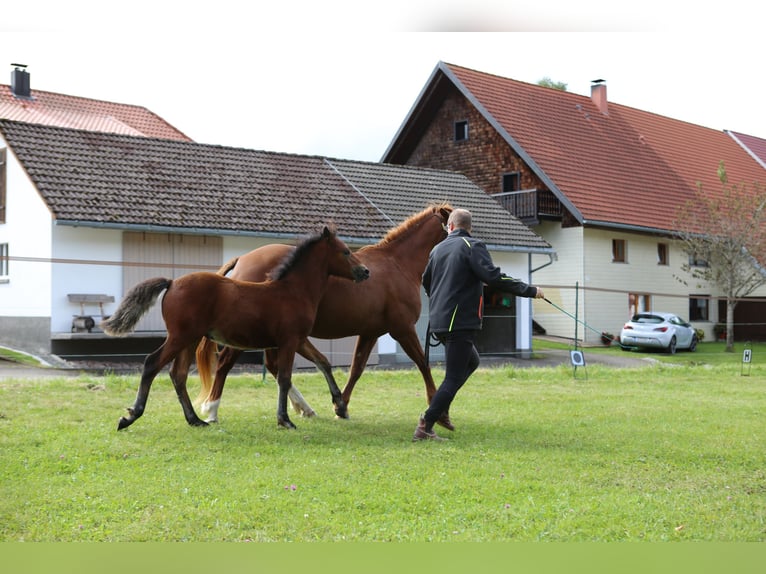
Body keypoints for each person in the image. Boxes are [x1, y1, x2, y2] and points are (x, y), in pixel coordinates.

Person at [413, 208, 545, 441]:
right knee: (453, 376)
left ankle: (441, 409)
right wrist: (531, 290)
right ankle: (426, 424)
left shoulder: (437, 249)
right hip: (460, 322)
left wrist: (443, 298)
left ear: (450, 226)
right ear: (469, 227)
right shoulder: (472, 246)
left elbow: (426, 281)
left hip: (439, 321)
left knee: (472, 361)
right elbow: (494, 277)